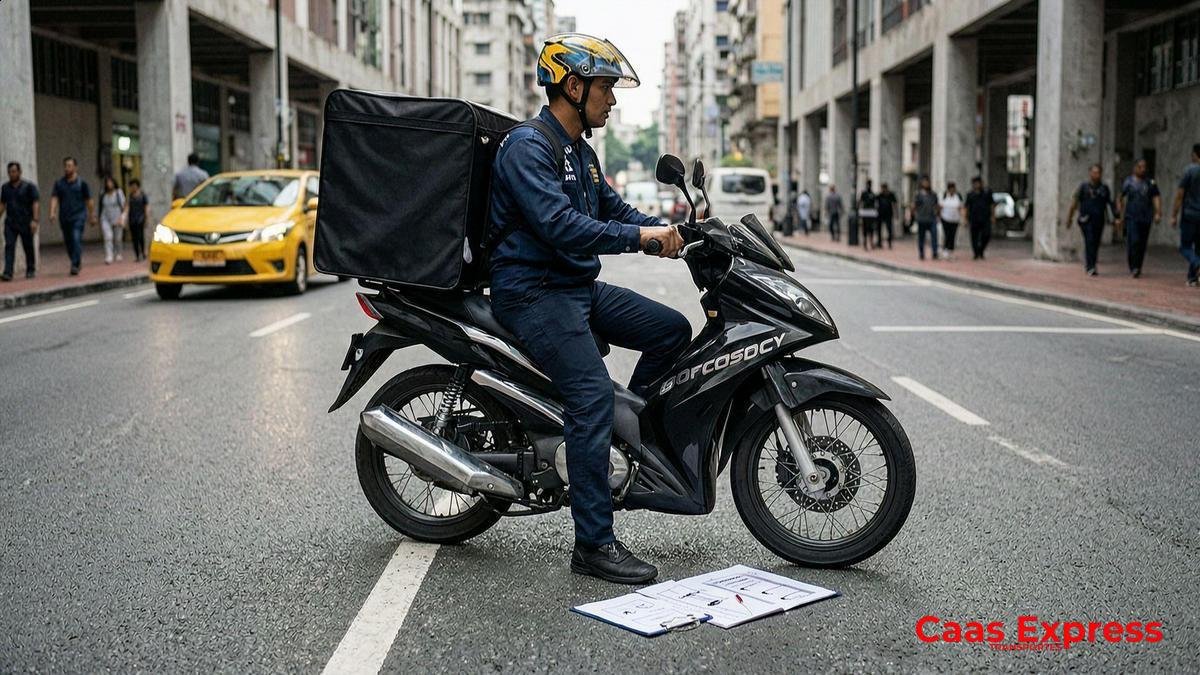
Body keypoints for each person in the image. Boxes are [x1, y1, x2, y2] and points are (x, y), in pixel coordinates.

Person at [488, 33, 690, 584]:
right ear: (572, 86)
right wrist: (641, 238)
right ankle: (593, 544)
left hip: (574, 287)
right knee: (591, 395)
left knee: (671, 330)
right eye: (604, 88)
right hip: (533, 292)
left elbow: (612, 209)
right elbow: (560, 226)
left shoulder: (582, 151)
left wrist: (676, 229)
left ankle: (629, 441)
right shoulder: (530, 147)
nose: (612, 100)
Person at [1066, 164, 1117, 276]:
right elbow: (1074, 203)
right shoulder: (1083, 187)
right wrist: (1069, 218)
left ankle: (1092, 263)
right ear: (1090, 173)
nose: (1096, 175)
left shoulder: (1104, 188)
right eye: (1094, 172)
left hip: (1099, 220)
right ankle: (1090, 266)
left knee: (1095, 242)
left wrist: (1114, 219)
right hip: (1086, 219)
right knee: (1089, 240)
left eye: (1098, 173)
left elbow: (1109, 205)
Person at [49, 156, 94, 275]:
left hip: (79, 216)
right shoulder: (59, 183)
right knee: (69, 242)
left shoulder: (82, 184)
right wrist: (52, 212)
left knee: (76, 238)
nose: (67, 168)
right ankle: (76, 261)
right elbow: (54, 198)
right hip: (64, 217)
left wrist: (92, 215)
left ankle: (74, 264)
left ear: (75, 167)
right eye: (65, 166)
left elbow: (89, 200)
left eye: (69, 166)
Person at [1117, 159, 1161, 278]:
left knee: (1142, 243)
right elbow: (1120, 197)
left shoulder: (1150, 182)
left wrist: (1158, 213)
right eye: (1140, 167)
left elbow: (1156, 197)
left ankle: (1138, 266)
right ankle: (1133, 266)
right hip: (1132, 217)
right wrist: (1119, 216)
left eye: (1144, 167)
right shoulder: (1128, 182)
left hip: (1146, 217)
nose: (1143, 169)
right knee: (1134, 241)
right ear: (1135, 168)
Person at [1, 162, 40, 281]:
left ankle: (30, 269)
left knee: (28, 246)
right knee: (9, 246)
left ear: (19, 172)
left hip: (26, 221)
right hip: (11, 222)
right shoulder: (5, 188)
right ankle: (8, 272)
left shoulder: (29, 187)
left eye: (14, 171)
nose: (11, 174)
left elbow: (35, 203)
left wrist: (35, 220)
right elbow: (2, 204)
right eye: (10, 172)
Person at [1171, 143, 1200, 286]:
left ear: (1195, 154)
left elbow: (1180, 194)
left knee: (1185, 246)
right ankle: (1192, 278)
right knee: (1198, 247)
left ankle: (1197, 264)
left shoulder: (1190, 170)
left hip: (1190, 214)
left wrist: (1173, 215)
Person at [964, 176, 995, 260]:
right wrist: (965, 219)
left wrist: (993, 216)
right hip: (973, 218)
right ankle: (976, 253)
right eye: (975, 183)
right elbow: (966, 207)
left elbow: (992, 205)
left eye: (978, 183)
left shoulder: (987, 193)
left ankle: (981, 250)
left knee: (987, 234)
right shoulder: (970, 194)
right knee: (974, 237)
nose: (976, 185)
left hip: (985, 218)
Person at [98, 175, 126, 264]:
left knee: (118, 238)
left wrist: (122, 217)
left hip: (117, 217)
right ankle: (109, 255)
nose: (109, 184)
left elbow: (124, 205)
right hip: (105, 217)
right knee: (108, 237)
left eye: (111, 182)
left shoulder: (118, 192)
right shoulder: (103, 193)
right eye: (107, 183)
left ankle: (118, 253)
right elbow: (100, 207)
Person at [911, 176, 939, 260]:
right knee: (921, 238)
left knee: (934, 236)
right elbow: (914, 206)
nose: (926, 184)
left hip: (932, 219)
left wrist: (937, 215)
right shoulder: (918, 195)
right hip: (921, 219)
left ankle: (934, 253)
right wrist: (914, 216)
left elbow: (936, 206)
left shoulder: (933, 194)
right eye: (924, 182)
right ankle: (921, 253)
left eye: (927, 182)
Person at [122, 179, 151, 262]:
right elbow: (127, 207)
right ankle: (137, 255)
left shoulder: (142, 196)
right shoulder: (130, 197)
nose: (132, 188)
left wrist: (146, 218)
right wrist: (124, 218)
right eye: (131, 186)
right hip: (132, 220)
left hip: (140, 219)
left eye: (134, 186)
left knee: (140, 237)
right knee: (134, 238)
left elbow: (146, 207)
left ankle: (143, 252)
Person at [938, 181, 963, 260]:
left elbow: (961, 207)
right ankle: (945, 249)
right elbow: (940, 207)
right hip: (945, 218)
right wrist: (939, 216)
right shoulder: (945, 196)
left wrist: (962, 217)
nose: (952, 190)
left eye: (953, 189)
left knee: (953, 235)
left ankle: (951, 250)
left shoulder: (958, 196)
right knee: (947, 234)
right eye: (951, 189)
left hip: (955, 219)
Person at [859, 180, 878, 251]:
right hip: (865, 213)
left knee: (871, 229)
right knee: (865, 229)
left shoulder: (873, 194)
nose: (869, 185)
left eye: (870, 184)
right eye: (868, 184)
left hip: (871, 214)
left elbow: (875, 203)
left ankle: (871, 243)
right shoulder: (864, 193)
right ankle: (865, 243)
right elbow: (860, 202)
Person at [876, 182, 896, 249]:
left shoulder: (891, 195)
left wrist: (896, 213)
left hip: (888, 214)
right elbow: (876, 203)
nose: (883, 190)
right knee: (879, 229)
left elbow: (894, 204)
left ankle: (889, 243)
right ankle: (879, 242)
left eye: (884, 188)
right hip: (880, 214)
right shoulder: (880, 195)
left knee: (889, 229)